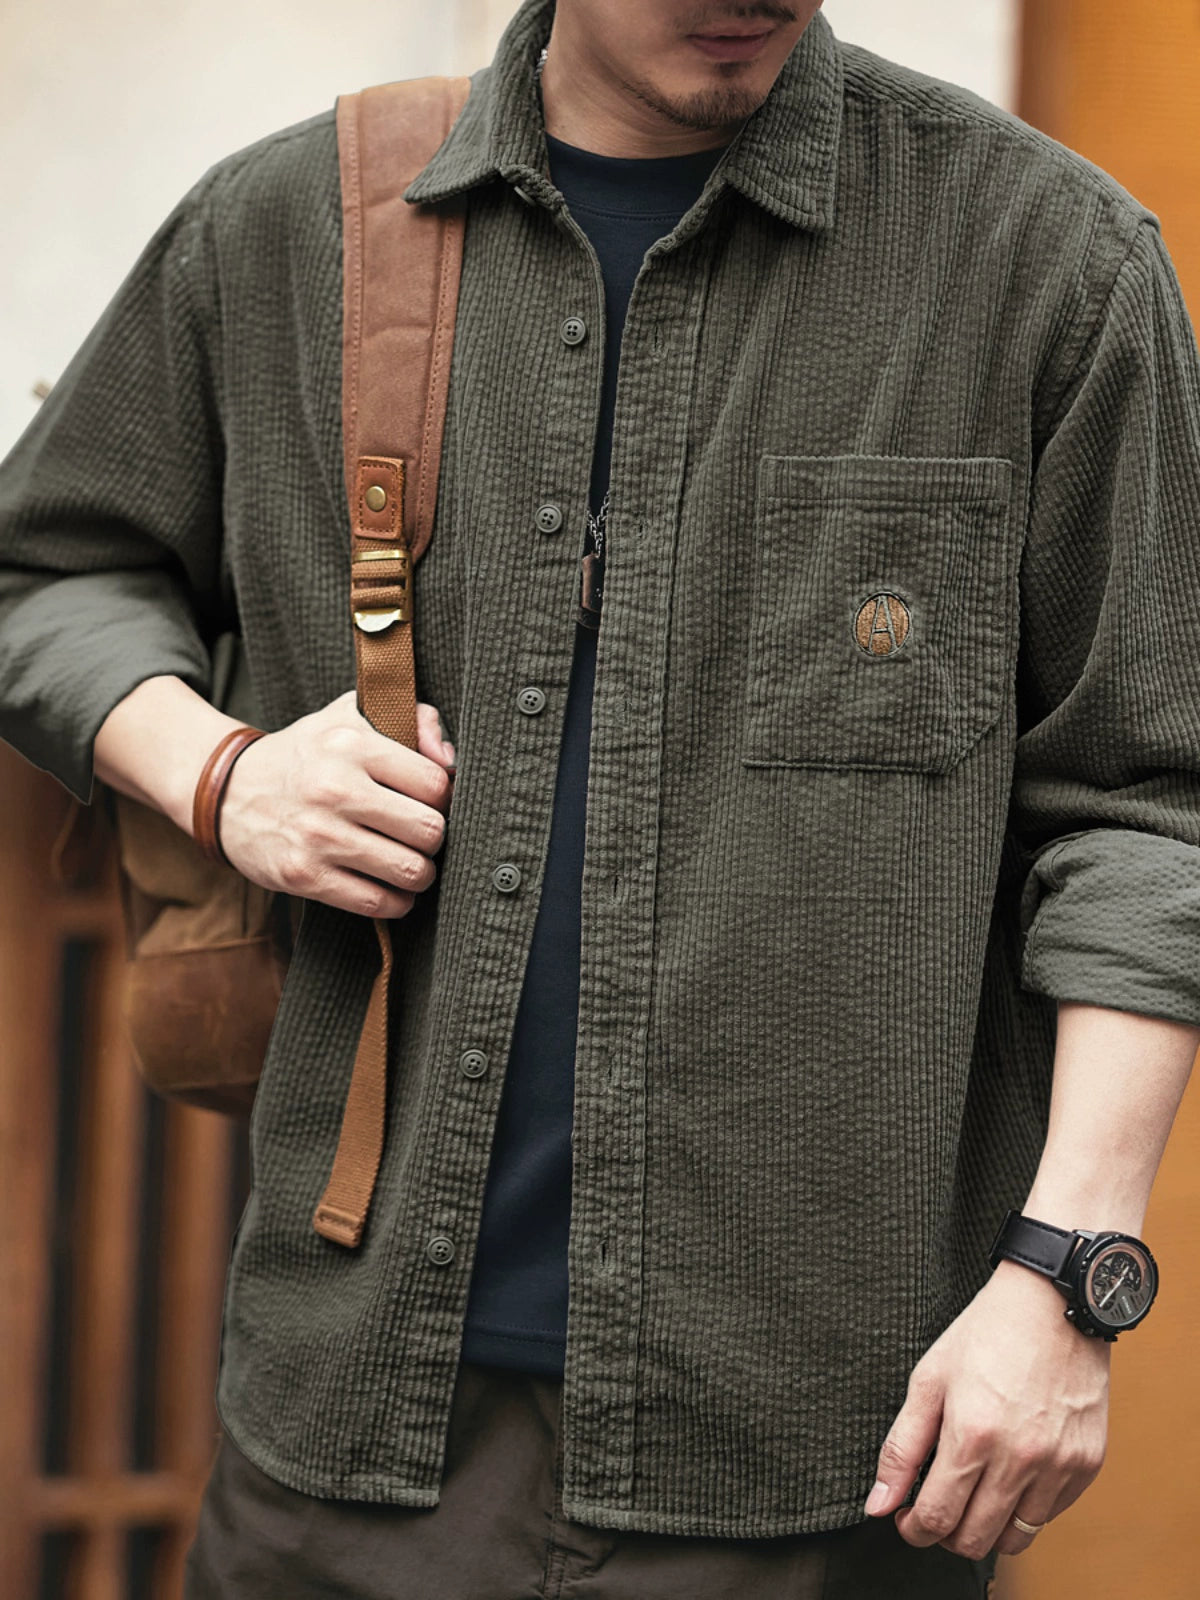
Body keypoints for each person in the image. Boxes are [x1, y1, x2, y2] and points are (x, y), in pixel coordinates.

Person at [2, 0, 1200, 1594]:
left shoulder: (1046, 258)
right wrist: (222, 775)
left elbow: (1150, 800)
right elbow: (52, 560)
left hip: (829, 1461)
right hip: (347, 1429)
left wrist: (1066, 1277)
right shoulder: (292, 224)